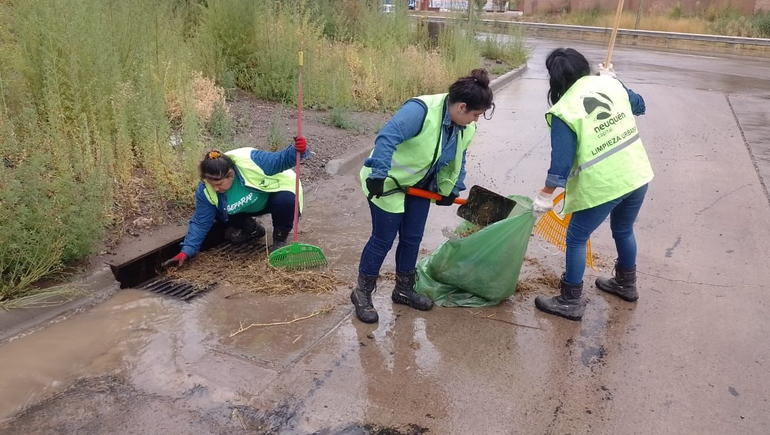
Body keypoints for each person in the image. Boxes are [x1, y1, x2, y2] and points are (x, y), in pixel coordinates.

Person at [351, 69, 495, 323]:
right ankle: (362, 293)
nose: (476, 121)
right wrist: (378, 175)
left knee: (412, 237)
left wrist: (452, 189)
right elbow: (387, 137)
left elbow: (459, 159)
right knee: (383, 239)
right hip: (387, 183)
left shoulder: (464, 127)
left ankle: (404, 289)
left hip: (420, 186)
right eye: (475, 115)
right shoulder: (421, 111)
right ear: (461, 107)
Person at [532, 48, 654, 321]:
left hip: (605, 183)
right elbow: (640, 105)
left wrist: (545, 194)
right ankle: (626, 283)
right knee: (623, 229)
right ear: (584, 67)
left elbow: (561, 163)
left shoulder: (564, 110)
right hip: (636, 174)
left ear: (555, 81)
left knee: (576, 237)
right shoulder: (608, 85)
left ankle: (570, 300)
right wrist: (615, 81)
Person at [162, 137, 309, 268]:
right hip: (246, 206)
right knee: (218, 212)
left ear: (230, 175)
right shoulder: (205, 190)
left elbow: (281, 160)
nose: (215, 188)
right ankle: (253, 230)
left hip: (271, 195)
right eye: (211, 184)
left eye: (219, 184)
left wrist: (297, 150)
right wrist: (185, 252)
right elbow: (201, 222)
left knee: (286, 201)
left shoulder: (252, 161)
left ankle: (279, 241)